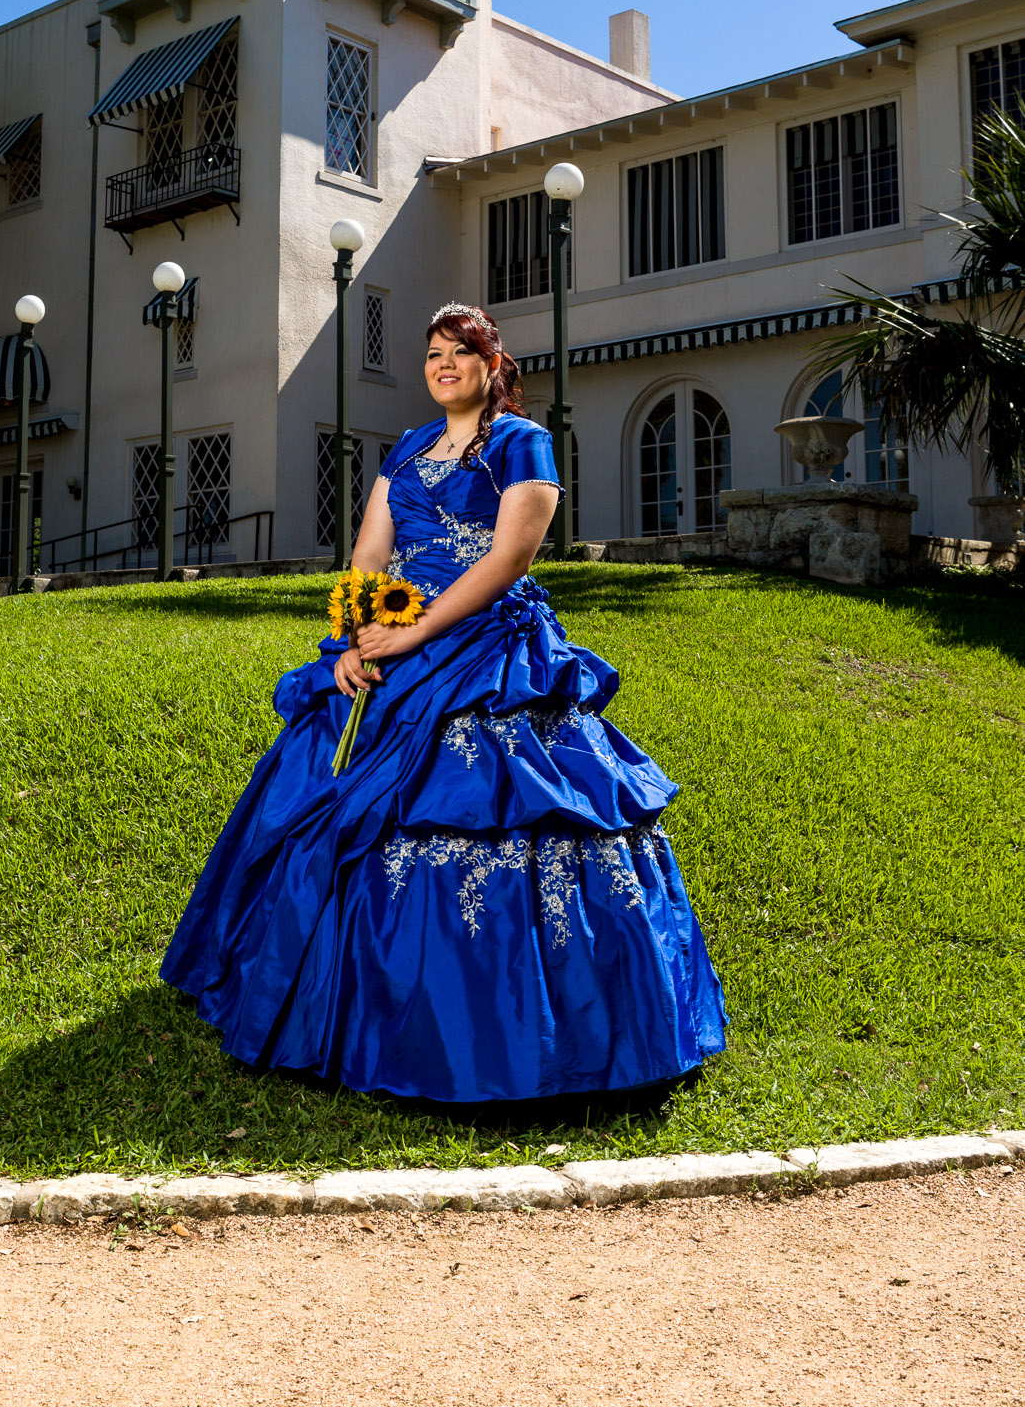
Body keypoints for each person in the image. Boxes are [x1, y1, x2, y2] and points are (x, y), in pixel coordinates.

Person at [161, 302, 726, 1105]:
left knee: (503, 799)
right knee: (324, 778)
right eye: (431, 355)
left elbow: (507, 558)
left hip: (485, 644)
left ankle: (536, 1043)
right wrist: (359, 634)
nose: (442, 366)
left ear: (492, 365)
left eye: (459, 353)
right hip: (391, 635)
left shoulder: (521, 444)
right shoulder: (410, 447)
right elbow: (368, 550)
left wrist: (416, 632)